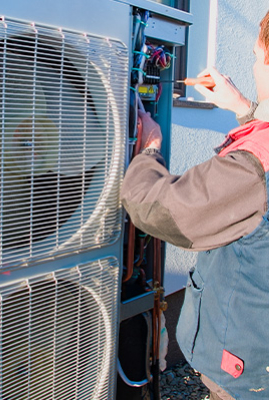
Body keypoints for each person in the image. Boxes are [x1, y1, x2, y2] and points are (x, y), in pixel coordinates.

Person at [120, 10, 269, 400]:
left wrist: (148, 150)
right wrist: (244, 108)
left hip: (249, 368)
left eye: (255, 57)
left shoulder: (254, 167)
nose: (253, 67)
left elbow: (159, 210)